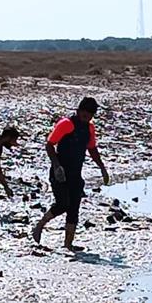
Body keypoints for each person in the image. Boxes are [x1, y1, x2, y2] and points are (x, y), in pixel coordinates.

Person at [32, 97, 109, 251]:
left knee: (74, 208)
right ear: (79, 110)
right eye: (85, 114)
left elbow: (92, 149)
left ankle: (68, 244)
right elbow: (49, 144)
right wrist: (56, 165)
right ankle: (40, 225)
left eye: (90, 115)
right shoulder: (66, 124)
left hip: (76, 174)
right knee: (63, 204)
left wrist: (102, 168)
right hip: (60, 172)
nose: (87, 117)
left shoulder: (89, 128)